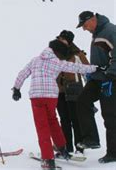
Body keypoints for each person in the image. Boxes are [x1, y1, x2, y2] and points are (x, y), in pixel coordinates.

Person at [12, 40, 98, 170]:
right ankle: (62, 148)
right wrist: (95, 68)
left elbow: (22, 74)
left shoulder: (35, 60)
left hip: (37, 97)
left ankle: (48, 159)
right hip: (51, 96)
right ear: (57, 52)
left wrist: (16, 89)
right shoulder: (57, 62)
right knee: (53, 121)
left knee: (42, 127)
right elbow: (75, 67)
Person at [75, 11, 116, 164]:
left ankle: (114, 152)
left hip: (111, 79)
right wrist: (92, 72)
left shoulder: (110, 31)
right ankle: (91, 139)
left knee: (110, 116)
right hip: (99, 77)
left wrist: (110, 76)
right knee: (82, 101)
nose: (85, 29)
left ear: (92, 20)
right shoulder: (98, 33)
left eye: (85, 25)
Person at [55, 30, 92, 153]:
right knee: (64, 120)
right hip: (59, 92)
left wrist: (89, 90)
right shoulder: (54, 54)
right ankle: (67, 147)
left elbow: (87, 71)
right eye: (59, 39)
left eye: (62, 39)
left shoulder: (77, 54)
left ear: (69, 41)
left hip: (75, 90)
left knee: (76, 119)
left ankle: (79, 147)